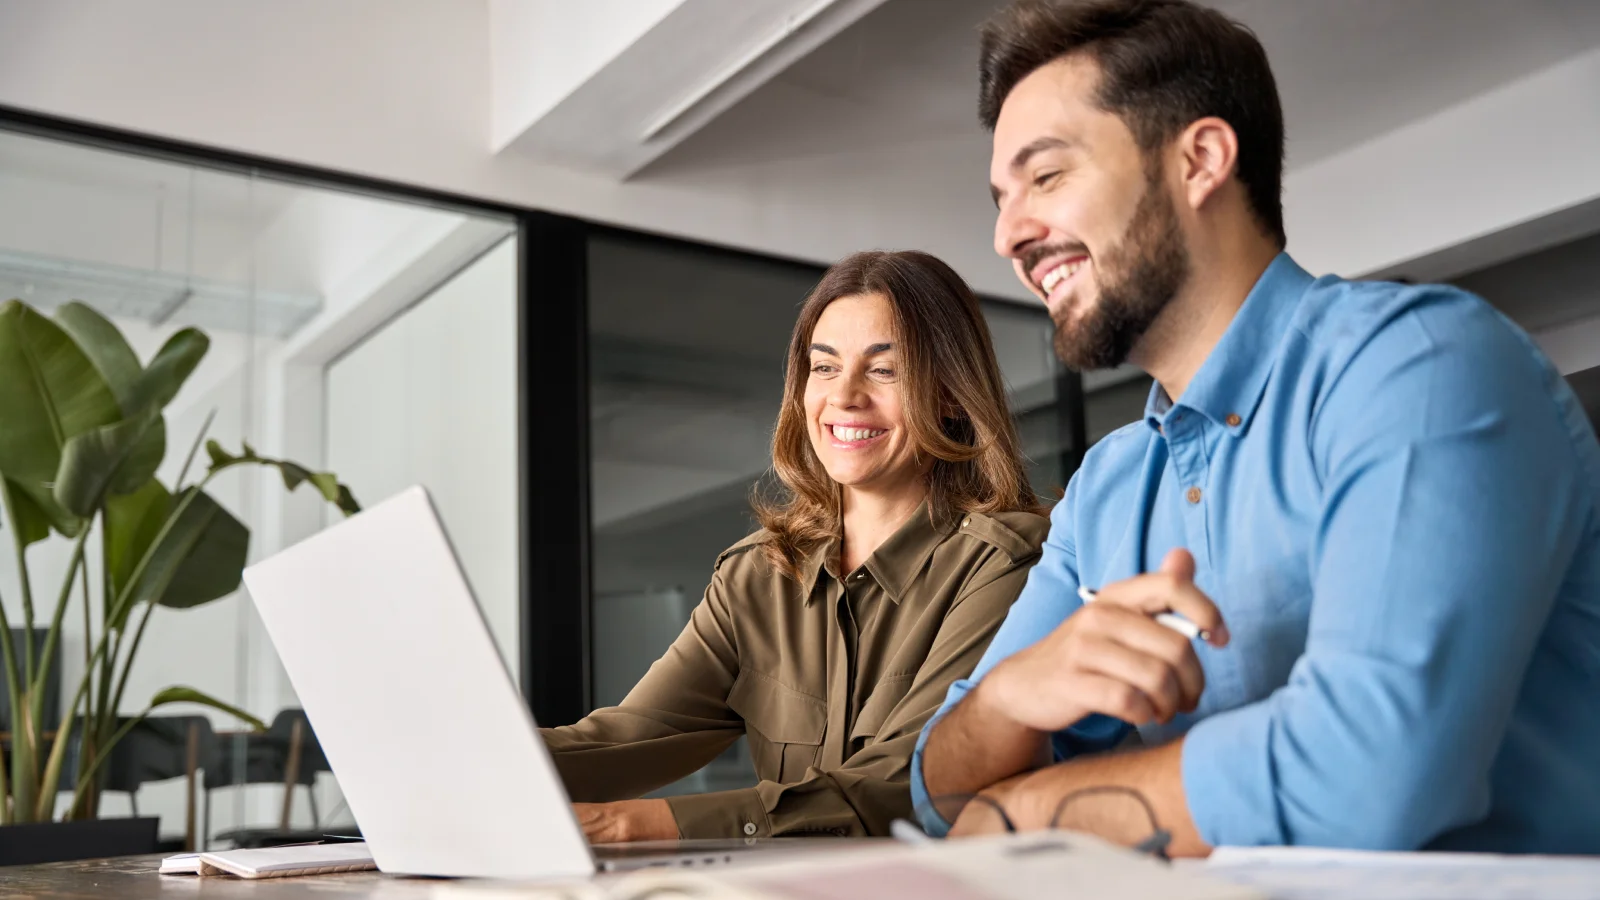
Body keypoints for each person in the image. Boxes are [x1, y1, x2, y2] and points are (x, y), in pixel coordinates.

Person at [913, 0, 1600, 856]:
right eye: (1001, 198)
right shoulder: (1107, 490)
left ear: (1200, 159)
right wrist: (1012, 698)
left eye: (1045, 177)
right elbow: (938, 793)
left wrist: (1030, 811)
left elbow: (1370, 775)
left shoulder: (1417, 363)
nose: (1008, 234)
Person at [545, 250, 1051, 842]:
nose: (845, 396)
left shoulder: (1008, 563)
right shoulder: (756, 575)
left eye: (884, 371)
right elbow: (631, 737)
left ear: (949, 394)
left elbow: (907, 779)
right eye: (824, 367)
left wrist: (635, 824)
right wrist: (458, 757)